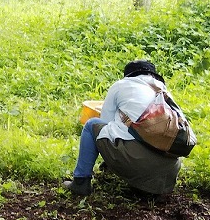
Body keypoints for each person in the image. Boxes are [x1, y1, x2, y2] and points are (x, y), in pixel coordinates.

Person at [63, 59, 181, 198]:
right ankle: (144, 187)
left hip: (137, 163)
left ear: (129, 75)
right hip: (168, 172)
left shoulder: (122, 85)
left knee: (92, 125)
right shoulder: (164, 92)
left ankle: (81, 182)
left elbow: (105, 123)